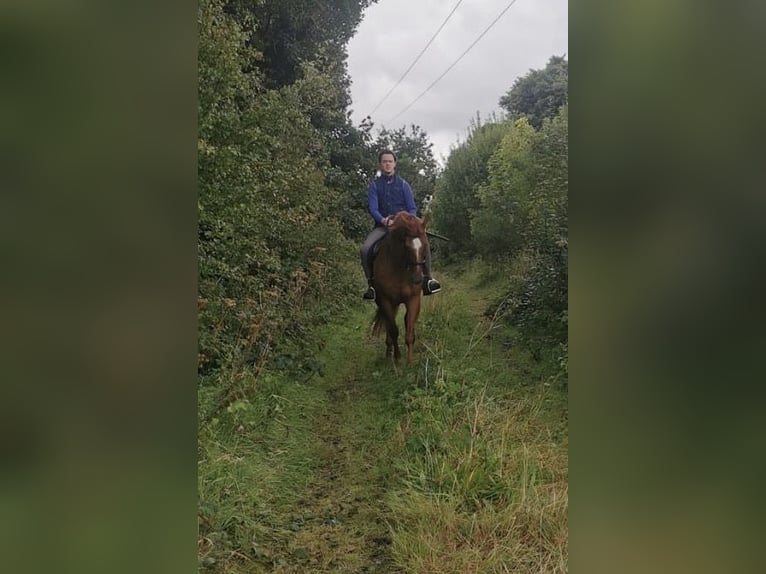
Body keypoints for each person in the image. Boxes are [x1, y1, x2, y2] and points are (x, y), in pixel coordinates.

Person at [360, 150, 442, 300]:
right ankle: (371, 285)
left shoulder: (404, 185)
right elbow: (373, 208)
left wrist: (406, 221)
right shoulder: (374, 186)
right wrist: (384, 220)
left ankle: (428, 279)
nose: (387, 164)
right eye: (384, 161)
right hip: (382, 227)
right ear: (380, 164)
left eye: (390, 161)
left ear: (394, 164)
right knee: (365, 249)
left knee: (423, 243)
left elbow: (412, 208)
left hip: (403, 227)